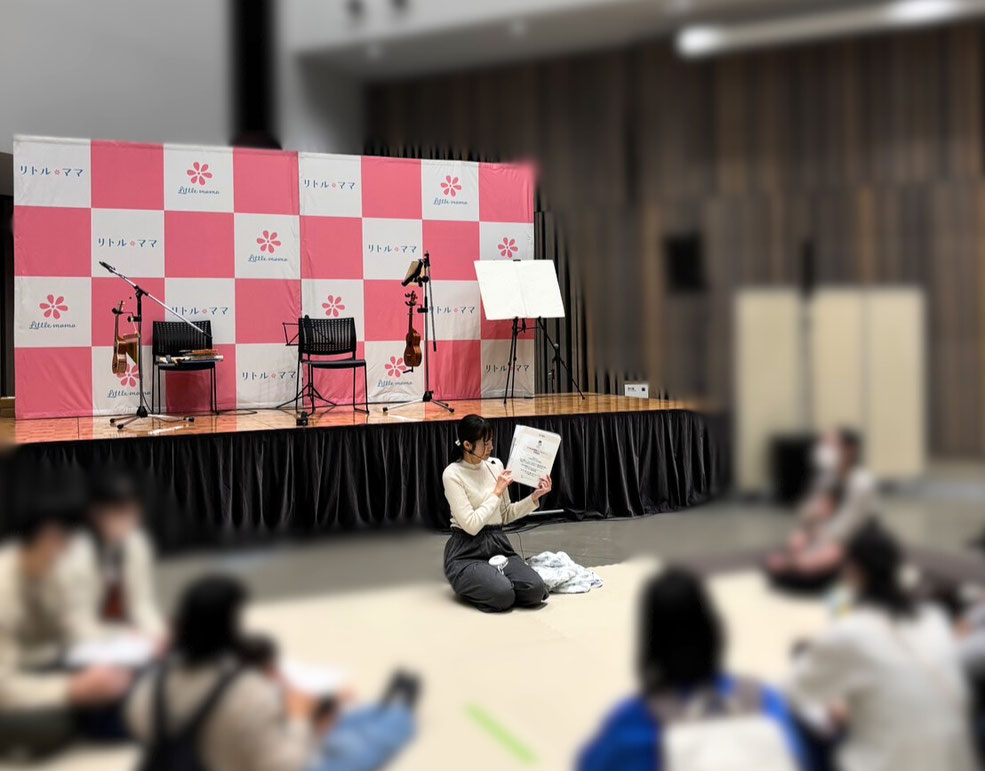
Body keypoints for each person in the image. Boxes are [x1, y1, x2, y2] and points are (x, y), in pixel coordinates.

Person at [785, 520, 978, 771]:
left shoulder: (852, 631)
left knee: (795, 711)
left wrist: (838, 708)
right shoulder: (934, 618)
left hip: (888, 763)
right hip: (954, 762)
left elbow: (794, 690)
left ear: (852, 570)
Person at [579, 567, 807, 771]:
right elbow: (799, 757)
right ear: (713, 631)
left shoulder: (633, 722)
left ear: (651, 641)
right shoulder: (763, 699)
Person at [0, 491, 133, 760]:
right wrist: (72, 688)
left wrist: (120, 644)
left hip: (42, 666)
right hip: (12, 680)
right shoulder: (5, 586)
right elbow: (4, 686)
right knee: (52, 726)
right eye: (65, 541)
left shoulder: (51, 569)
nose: (69, 551)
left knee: (115, 684)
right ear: (47, 537)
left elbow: (74, 626)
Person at [441, 415, 552, 612]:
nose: (491, 447)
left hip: (497, 544)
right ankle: (473, 580)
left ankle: (491, 580)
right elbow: (471, 526)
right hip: (466, 550)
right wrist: (496, 492)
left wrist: (534, 498)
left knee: (536, 590)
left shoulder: (495, 465)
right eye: (486, 443)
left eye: (491, 441)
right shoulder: (452, 473)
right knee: (503, 595)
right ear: (467, 445)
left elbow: (506, 514)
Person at [766, 428, 877, 592]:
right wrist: (807, 530)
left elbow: (847, 527)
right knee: (796, 540)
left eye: (832, 445)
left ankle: (806, 568)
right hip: (824, 532)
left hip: (852, 539)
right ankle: (798, 565)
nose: (824, 450)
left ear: (850, 450)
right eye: (824, 444)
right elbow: (807, 510)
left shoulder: (862, 483)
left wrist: (816, 539)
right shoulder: (826, 477)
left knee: (829, 553)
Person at [61, 468, 164, 643]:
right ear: (96, 514)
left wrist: (157, 633)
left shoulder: (136, 542)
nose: (129, 521)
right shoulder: (75, 552)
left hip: (127, 637)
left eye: (133, 513)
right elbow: (75, 623)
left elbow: (142, 602)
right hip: (85, 640)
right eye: (120, 513)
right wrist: (123, 635)